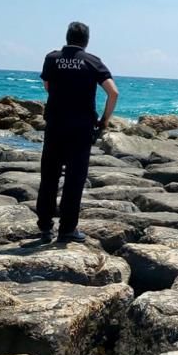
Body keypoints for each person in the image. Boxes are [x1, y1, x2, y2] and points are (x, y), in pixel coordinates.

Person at [35, 21, 119, 243]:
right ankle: (67, 230)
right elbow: (113, 93)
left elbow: (47, 86)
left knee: (49, 177)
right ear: (87, 40)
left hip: (55, 124)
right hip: (81, 129)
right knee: (74, 179)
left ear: (67, 37)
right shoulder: (92, 61)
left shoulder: (52, 58)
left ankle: (45, 228)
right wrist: (104, 121)